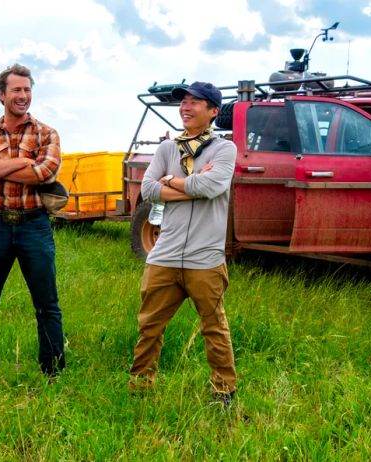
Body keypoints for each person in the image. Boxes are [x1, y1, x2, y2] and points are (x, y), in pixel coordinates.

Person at [128, 81, 237, 404]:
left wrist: (171, 181)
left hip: (205, 257)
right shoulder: (167, 149)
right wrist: (190, 184)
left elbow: (211, 185)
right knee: (149, 326)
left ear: (214, 111)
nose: (186, 107)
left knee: (214, 327)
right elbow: (147, 190)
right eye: (184, 101)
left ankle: (223, 390)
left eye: (196, 102)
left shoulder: (224, 149)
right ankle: (140, 386)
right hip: (164, 255)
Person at [0, 63, 65, 378]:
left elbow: (45, 172)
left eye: (27, 90)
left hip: (34, 225)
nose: (23, 96)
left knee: (46, 303)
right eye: (16, 90)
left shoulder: (47, 133)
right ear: (1, 94)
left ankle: (53, 371)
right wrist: (22, 161)